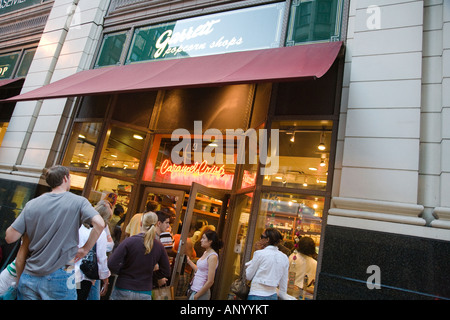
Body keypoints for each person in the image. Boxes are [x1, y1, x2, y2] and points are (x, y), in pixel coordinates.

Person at [4, 165, 105, 300]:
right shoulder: (79, 202)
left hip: (29, 275)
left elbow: (10, 237)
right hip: (62, 273)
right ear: (65, 178)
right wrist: (85, 249)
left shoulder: (32, 204)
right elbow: (100, 224)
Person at [108, 211, 170, 300]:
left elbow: (111, 264)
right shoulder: (159, 246)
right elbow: (166, 271)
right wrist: (151, 275)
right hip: (144, 290)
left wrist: (123, 272)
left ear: (141, 224)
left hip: (124, 287)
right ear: (157, 224)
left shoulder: (129, 241)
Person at [75, 200, 112, 300]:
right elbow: (101, 258)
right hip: (85, 274)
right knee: (80, 296)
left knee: (69, 295)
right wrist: (105, 279)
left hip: (70, 269)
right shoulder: (100, 233)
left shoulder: (81, 226)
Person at [245, 228, 289, 300]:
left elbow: (248, 276)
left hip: (256, 294)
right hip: (273, 295)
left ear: (267, 240)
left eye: (262, 236)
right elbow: (283, 284)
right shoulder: (284, 257)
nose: (259, 238)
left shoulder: (259, 254)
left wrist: (256, 253)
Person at [186, 230, 222, 300]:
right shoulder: (206, 252)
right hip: (194, 289)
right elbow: (199, 270)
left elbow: (210, 281)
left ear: (210, 241)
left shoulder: (213, 257)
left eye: (203, 238)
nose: (201, 240)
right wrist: (189, 261)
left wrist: (197, 296)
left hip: (201, 293)